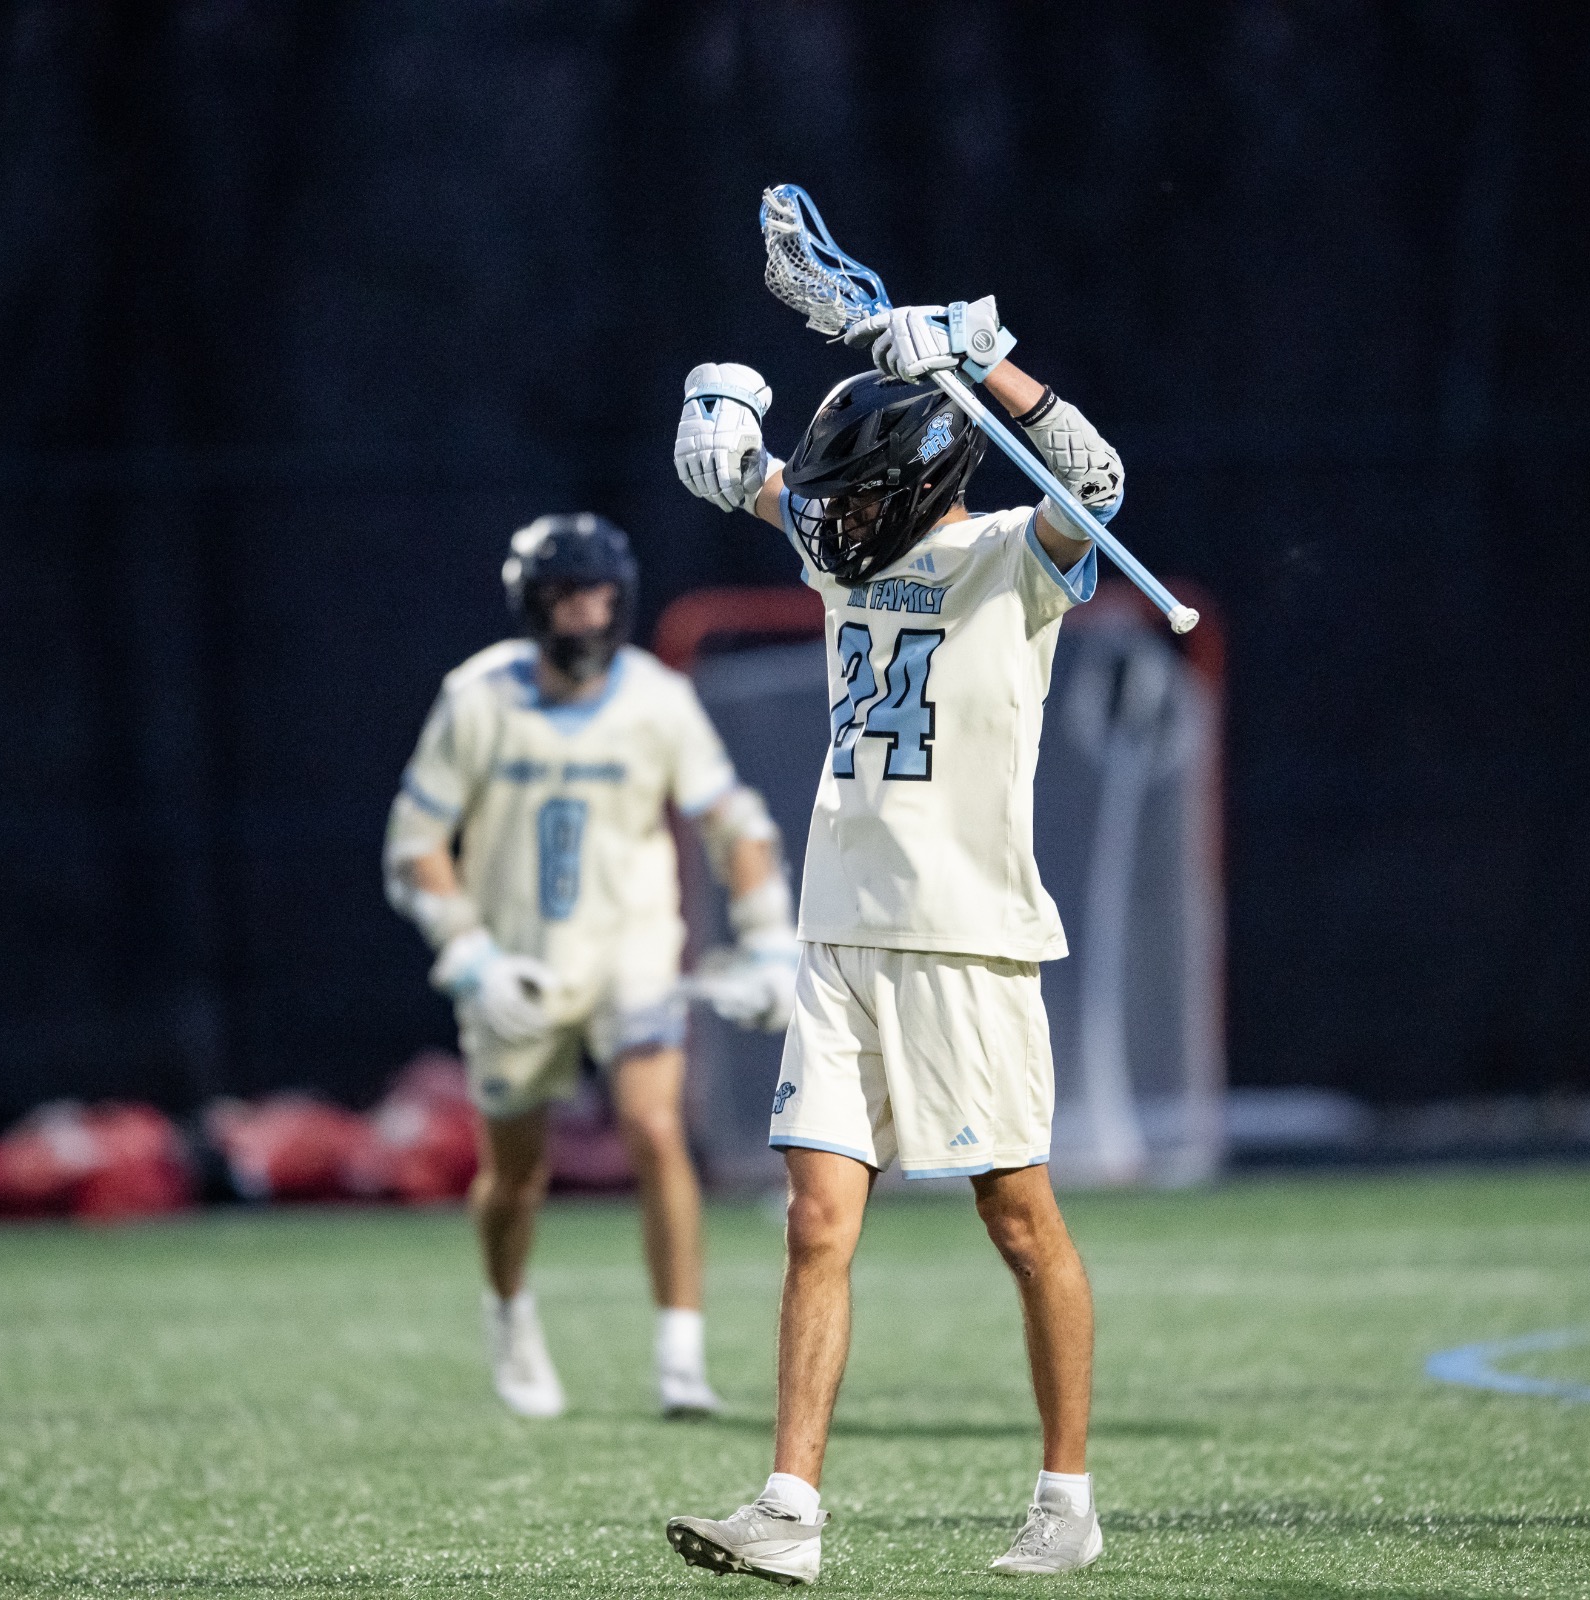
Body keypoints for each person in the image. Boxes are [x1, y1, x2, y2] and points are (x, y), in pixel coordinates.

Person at [663, 295, 1123, 1583]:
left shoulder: (1006, 560)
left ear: (918, 483)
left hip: (963, 939)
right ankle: (789, 1509)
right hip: (839, 935)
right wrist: (725, 443)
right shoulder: (846, 540)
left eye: (856, 497)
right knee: (816, 1220)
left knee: (1020, 1220)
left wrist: (990, 360)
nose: (830, 524)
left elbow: (1096, 477)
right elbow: (783, 492)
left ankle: (1065, 1497)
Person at [382, 513, 799, 1419]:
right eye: (569, 598)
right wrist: (467, 955)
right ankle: (508, 1312)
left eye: (601, 597)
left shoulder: (654, 697)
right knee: (516, 1173)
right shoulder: (479, 697)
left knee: (655, 1130)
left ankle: (680, 1356)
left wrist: (770, 935)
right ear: (534, 605)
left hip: (633, 950)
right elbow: (416, 845)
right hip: (517, 960)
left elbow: (738, 825)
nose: (587, 615)